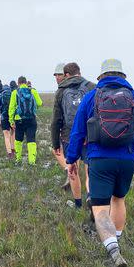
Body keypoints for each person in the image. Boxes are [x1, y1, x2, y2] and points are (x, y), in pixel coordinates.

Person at [66, 59, 134, 267]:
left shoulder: (91, 97)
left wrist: (71, 160)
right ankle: (117, 241)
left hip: (99, 159)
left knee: (100, 208)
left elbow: (77, 132)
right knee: (119, 200)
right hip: (126, 158)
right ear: (123, 75)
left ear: (101, 76)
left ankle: (113, 252)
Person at [52, 62, 95, 209]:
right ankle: (90, 195)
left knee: (73, 169)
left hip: (69, 136)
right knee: (90, 170)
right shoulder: (92, 87)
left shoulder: (61, 91)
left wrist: (55, 144)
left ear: (66, 75)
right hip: (90, 136)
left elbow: (56, 120)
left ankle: (77, 204)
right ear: (79, 72)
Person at [9, 76, 43, 165]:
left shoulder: (15, 92)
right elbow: (40, 103)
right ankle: (32, 161)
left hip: (19, 120)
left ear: (18, 83)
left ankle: (18, 160)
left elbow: (11, 108)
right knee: (31, 140)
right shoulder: (33, 91)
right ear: (26, 82)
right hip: (31, 119)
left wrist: (11, 121)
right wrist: (33, 108)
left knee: (18, 140)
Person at [0, 81, 16, 158]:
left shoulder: (1, 95)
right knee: (13, 133)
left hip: (4, 117)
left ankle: (9, 153)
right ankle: (13, 149)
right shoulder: (13, 94)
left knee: (6, 135)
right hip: (12, 117)